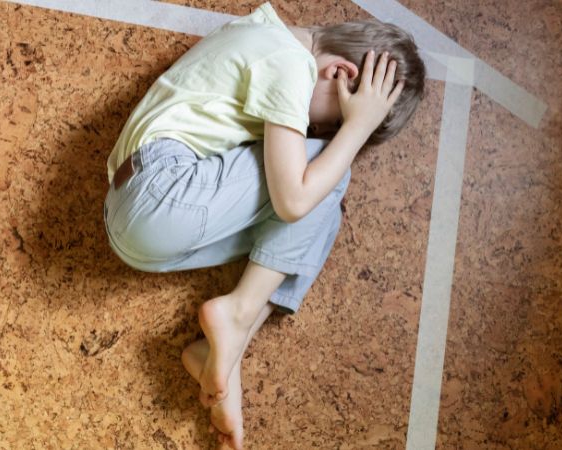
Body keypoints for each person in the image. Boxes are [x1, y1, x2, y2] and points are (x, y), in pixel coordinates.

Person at [103, 2, 426, 448]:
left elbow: (301, 210)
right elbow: (292, 200)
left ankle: (226, 349)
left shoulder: (265, 36)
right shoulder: (289, 62)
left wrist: (346, 133)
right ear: (339, 74)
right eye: (329, 121)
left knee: (324, 214)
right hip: (160, 190)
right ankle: (237, 313)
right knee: (326, 176)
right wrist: (353, 134)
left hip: (146, 222)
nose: (313, 127)